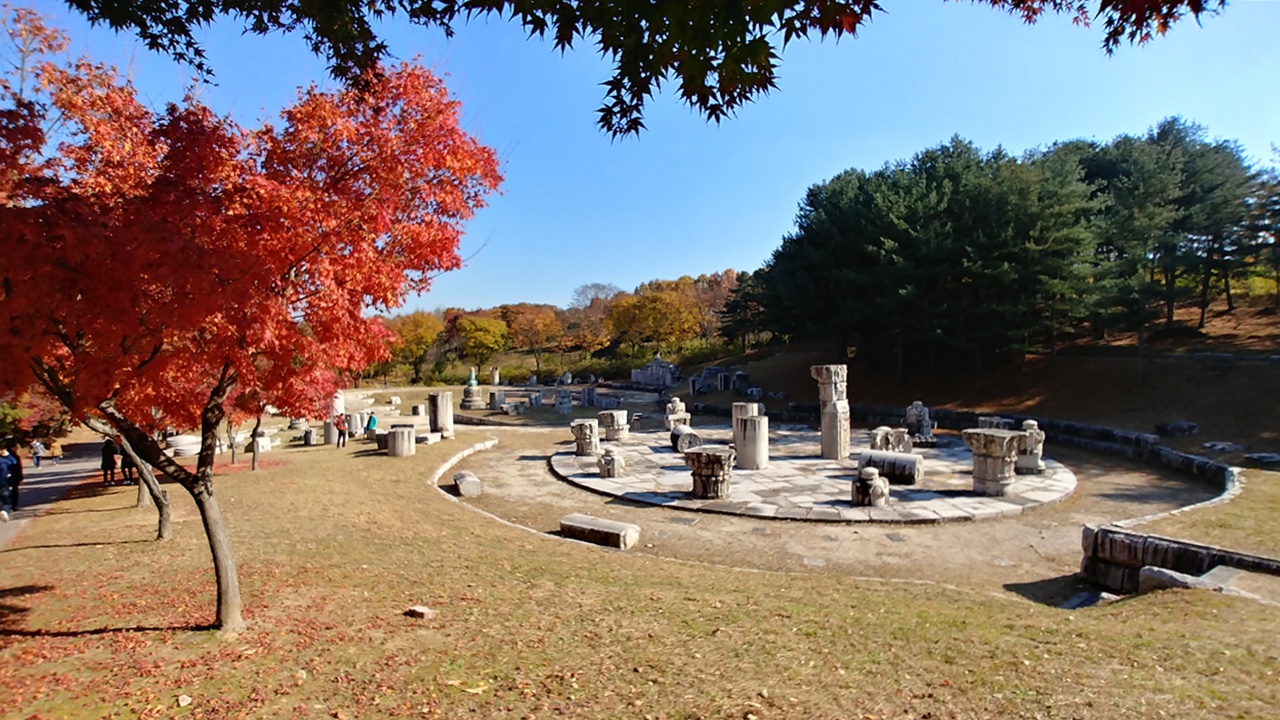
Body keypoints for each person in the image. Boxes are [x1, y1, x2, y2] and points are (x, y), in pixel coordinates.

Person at [5, 441, 22, 511]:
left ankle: (6, 505)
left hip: (4, 476)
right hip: (14, 476)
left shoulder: (3, 455)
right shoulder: (15, 457)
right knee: (14, 491)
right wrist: (20, 478)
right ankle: (13, 505)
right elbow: (18, 468)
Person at [0, 445, 15, 521]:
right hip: (3, 483)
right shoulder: (3, 461)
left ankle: (2, 511)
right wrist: (7, 455)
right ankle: (4, 511)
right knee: (7, 502)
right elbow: (14, 463)